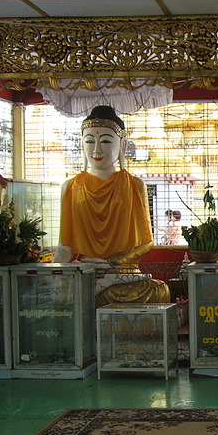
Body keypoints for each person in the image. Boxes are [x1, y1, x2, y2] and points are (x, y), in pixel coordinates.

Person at [52, 105, 169, 306]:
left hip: (123, 273)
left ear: (122, 145)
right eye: (89, 141)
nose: (96, 149)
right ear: (82, 144)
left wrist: (115, 261)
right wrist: (52, 274)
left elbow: (146, 242)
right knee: (64, 296)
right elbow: (65, 246)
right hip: (90, 270)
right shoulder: (70, 187)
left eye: (106, 140)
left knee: (160, 291)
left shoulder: (135, 185)